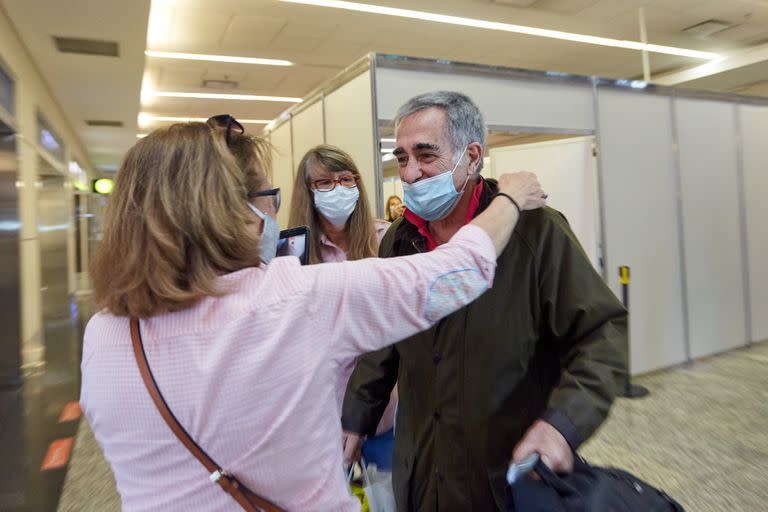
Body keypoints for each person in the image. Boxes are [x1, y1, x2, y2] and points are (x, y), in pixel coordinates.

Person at [80, 115, 547, 511]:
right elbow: (456, 272)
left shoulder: (103, 335)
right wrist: (508, 197)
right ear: (237, 213)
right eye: (270, 197)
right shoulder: (295, 299)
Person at [341, 91, 628, 511]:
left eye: (425, 155)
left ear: (472, 156)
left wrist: (564, 424)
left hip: (508, 476)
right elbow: (383, 340)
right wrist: (357, 416)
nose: (411, 173)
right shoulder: (400, 242)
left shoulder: (536, 234)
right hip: (421, 471)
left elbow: (603, 332)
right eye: (402, 158)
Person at [288, 144, 397, 464]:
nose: (338, 188)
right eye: (324, 182)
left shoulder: (386, 238)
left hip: (383, 407)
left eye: (346, 179)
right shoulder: (294, 252)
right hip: (321, 412)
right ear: (307, 192)